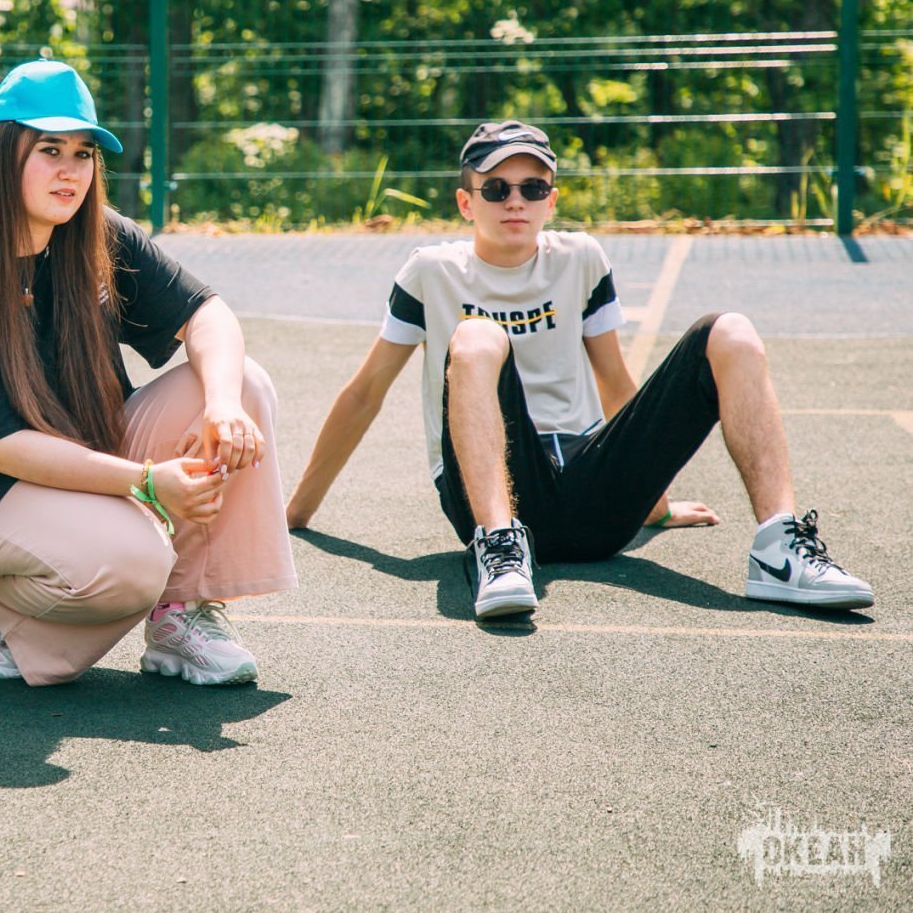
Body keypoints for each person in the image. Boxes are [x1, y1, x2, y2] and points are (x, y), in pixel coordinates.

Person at [285, 120, 875, 619]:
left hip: (595, 497)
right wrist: (295, 513)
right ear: (466, 203)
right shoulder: (431, 272)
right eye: (496, 189)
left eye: (532, 187)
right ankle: (499, 549)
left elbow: (616, 385)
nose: (515, 201)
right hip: (494, 495)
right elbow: (365, 393)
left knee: (732, 331)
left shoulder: (582, 258)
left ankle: (779, 547)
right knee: (477, 337)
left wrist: (657, 505)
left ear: (551, 199)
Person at [0, 59, 297, 687]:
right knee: (135, 562)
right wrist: (148, 483)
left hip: (87, 453)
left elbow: (208, 315)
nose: (71, 170)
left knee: (243, 384)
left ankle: (178, 614)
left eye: (83, 154)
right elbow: (0, 448)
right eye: (50, 150)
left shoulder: (98, 237)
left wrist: (221, 405)